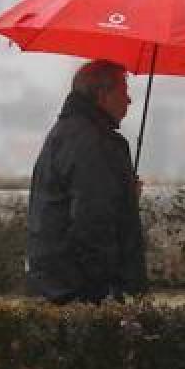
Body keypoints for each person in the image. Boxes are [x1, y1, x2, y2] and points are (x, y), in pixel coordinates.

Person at [26, 59, 147, 304]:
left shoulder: (64, 132)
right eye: (124, 92)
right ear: (103, 95)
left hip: (54, 283)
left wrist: (124, 195)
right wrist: (105, 292)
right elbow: (93, 219)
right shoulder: (94, 144)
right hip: (81, 290)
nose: (129, 101)